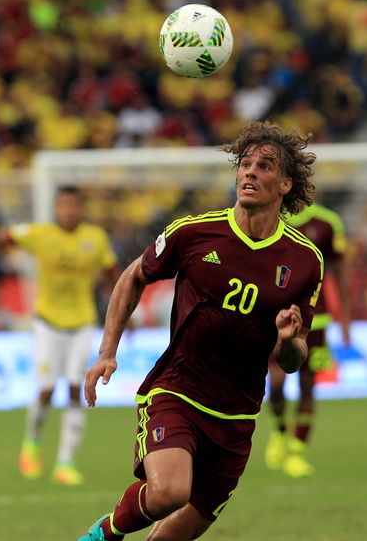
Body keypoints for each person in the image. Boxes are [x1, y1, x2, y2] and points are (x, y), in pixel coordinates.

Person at [79, 121, 322, 541]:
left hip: (238, 413)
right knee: (170, 492)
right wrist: (107, 351)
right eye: (244, 164)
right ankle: (104, 534)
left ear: (285, 185)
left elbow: (294, 358)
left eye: (264, 166)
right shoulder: (193, 233)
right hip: (178, 390)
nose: (249, 173)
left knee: (182, 530)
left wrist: (286, 340)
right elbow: (133, 277)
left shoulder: (305, 260)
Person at [3, 186, 118, 485]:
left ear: (80, 208)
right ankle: (32, 442)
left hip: (82, 323)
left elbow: (112, 273)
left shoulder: (95, 238)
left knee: (75, 389)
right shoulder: (40, 234)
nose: (68, 211)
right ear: (57, 208)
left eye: (73, 206)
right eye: (63, 206)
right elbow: (3, 239)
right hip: (47, 324)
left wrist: (123, 311)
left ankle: (65, 463)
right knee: (46, 389)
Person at [264, 202, 351, 477]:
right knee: (275, 383)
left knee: (308, 384)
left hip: (317, 319)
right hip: (276, 317)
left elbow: (339, 273)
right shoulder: (269, 218)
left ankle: (297, 450)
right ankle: (280, 431)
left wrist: (345, 319)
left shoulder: (327, 223)